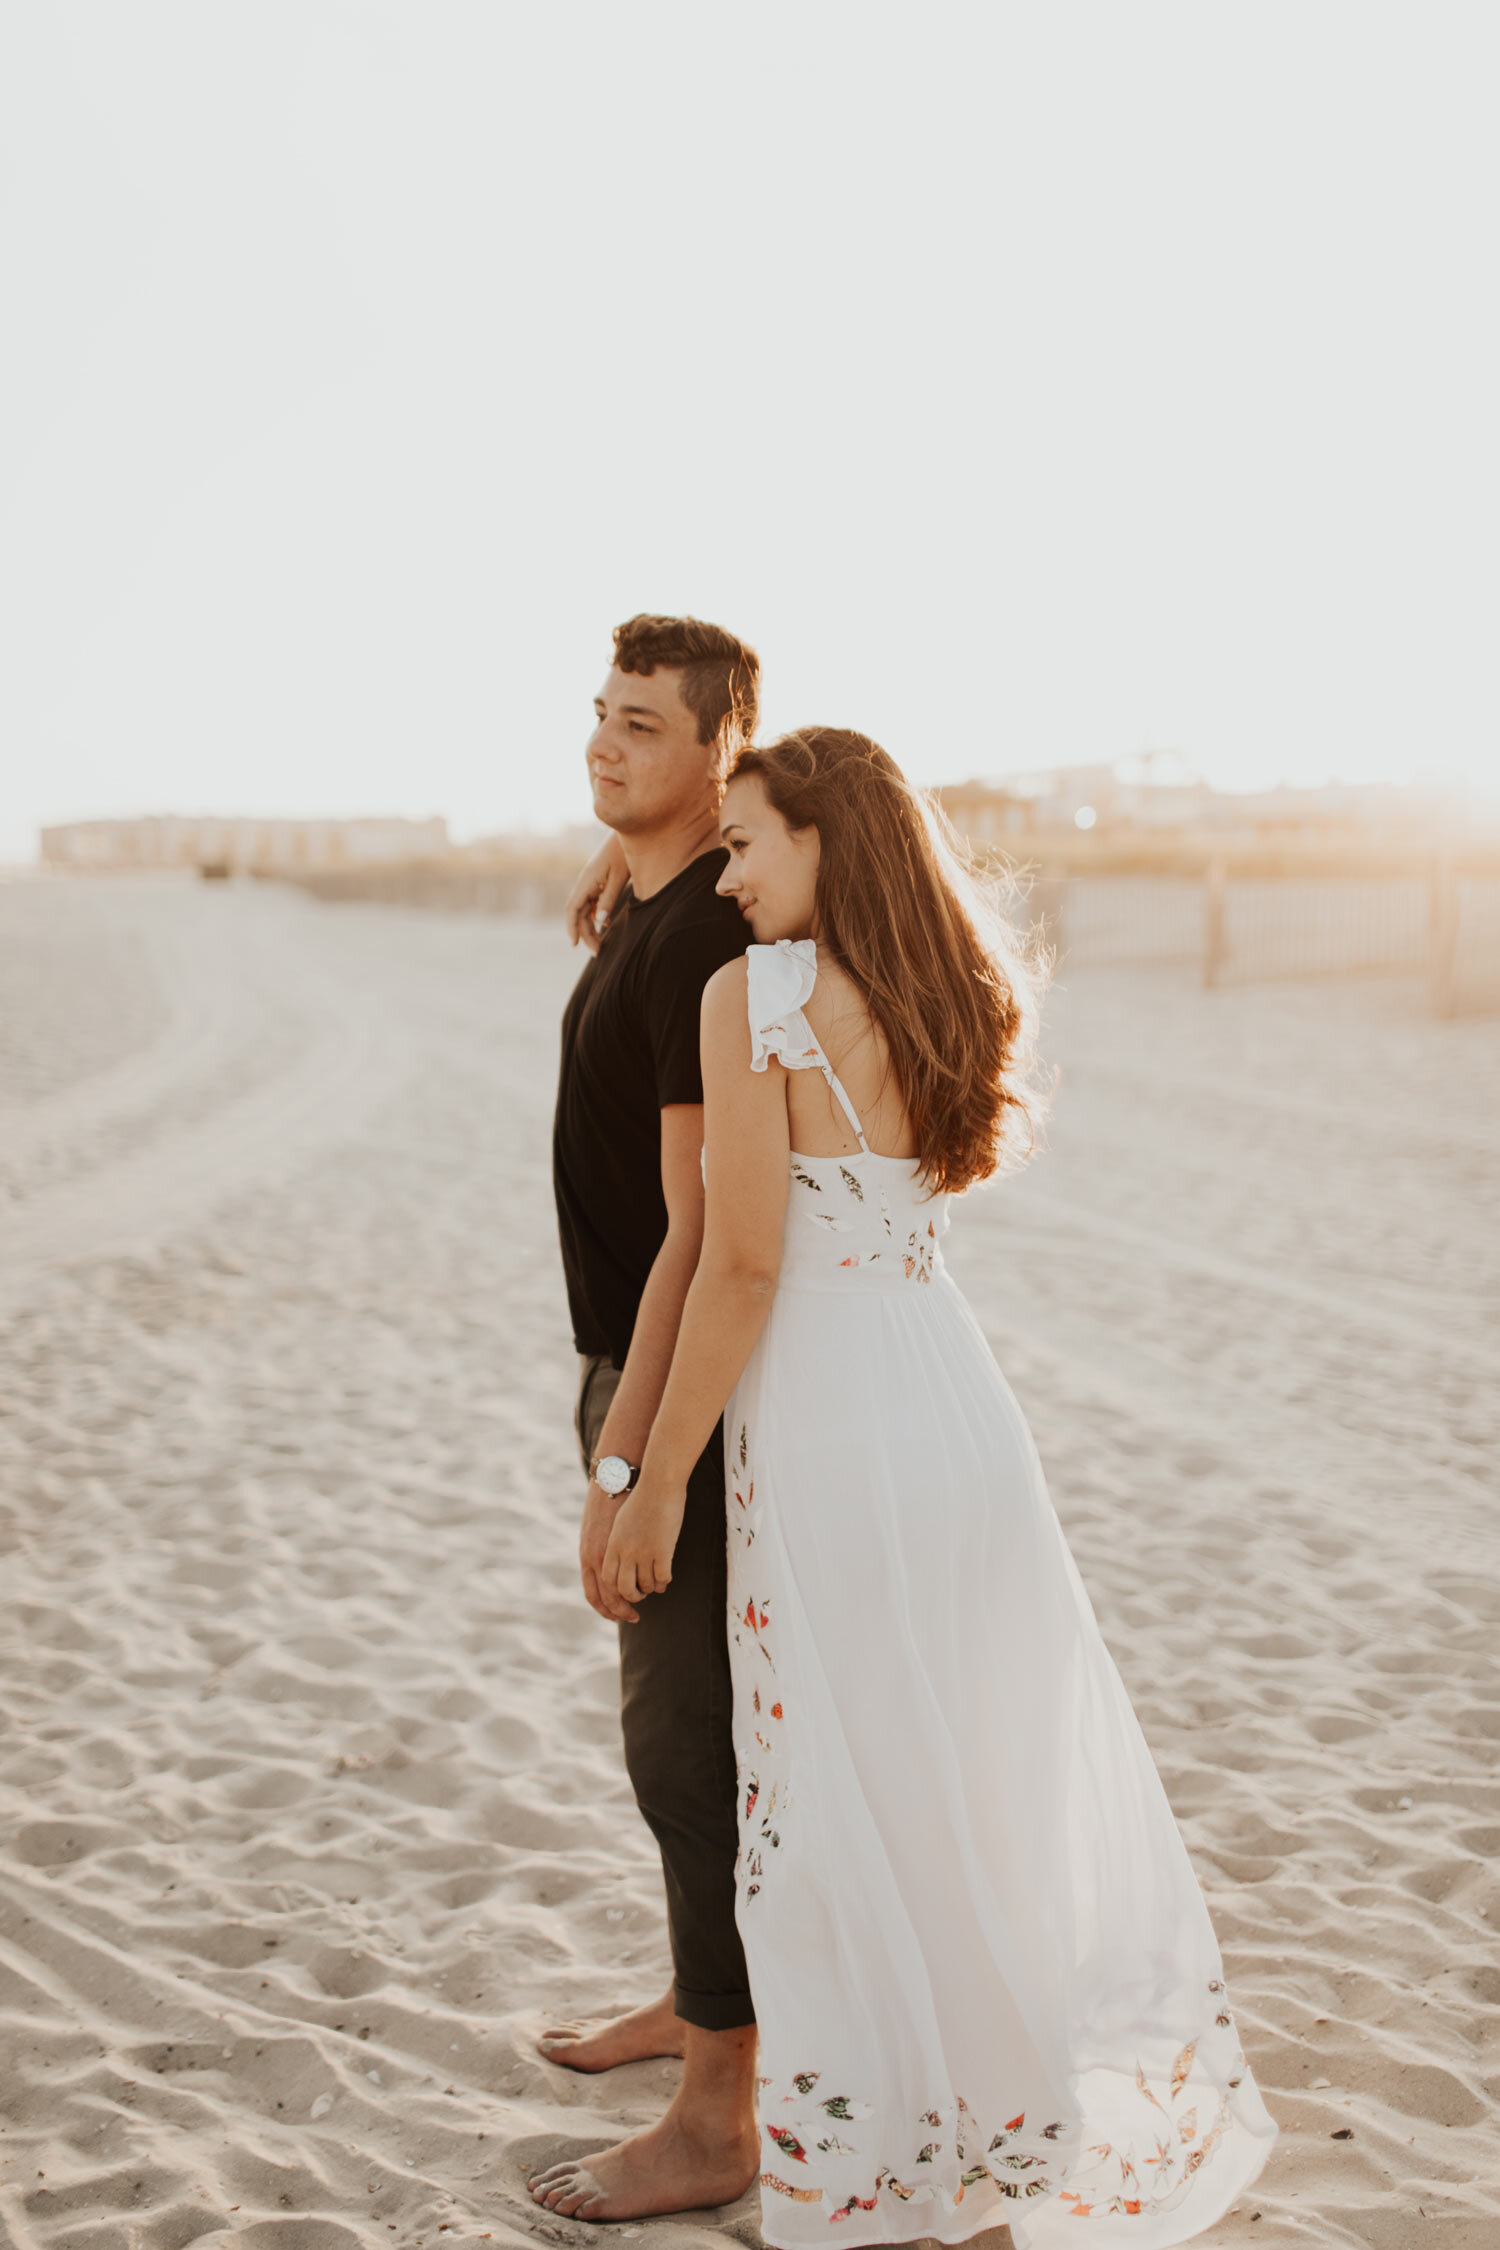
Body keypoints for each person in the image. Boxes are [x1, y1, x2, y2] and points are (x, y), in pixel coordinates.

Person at [532, 729, 1277, 2244]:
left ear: (825, 841)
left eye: (748, 844)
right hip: (957, 1412)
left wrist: (653, 1475)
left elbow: (739, 1263)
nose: (728, 877)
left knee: (838, 1801)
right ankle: (998, 2171)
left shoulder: (756, 999)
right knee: (968, 1792)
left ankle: (881, 2165)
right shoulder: (958, 995)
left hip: (831, 1431)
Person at [545, 613, 764, 2211]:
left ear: (719, 753)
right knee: (666, 1727)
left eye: (643, 726)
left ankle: (717, 2112)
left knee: (685, 1739)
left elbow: (707, 1229)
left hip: (665, 1365)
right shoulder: (655, 904)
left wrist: (637, 1456)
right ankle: (696, 2010)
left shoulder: (706, 937)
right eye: (599, 716)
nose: (606, 744)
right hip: (620, 1354)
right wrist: (618, 884)